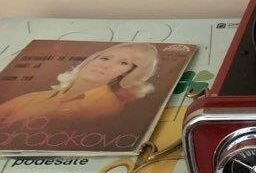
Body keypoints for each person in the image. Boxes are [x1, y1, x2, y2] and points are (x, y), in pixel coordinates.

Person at [0, 43, 159, 128]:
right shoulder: (36, 96)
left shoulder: (106, 105)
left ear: (128, 74)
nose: (106, 65)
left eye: (123, 63)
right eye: (105, 58)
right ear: (90, 60)